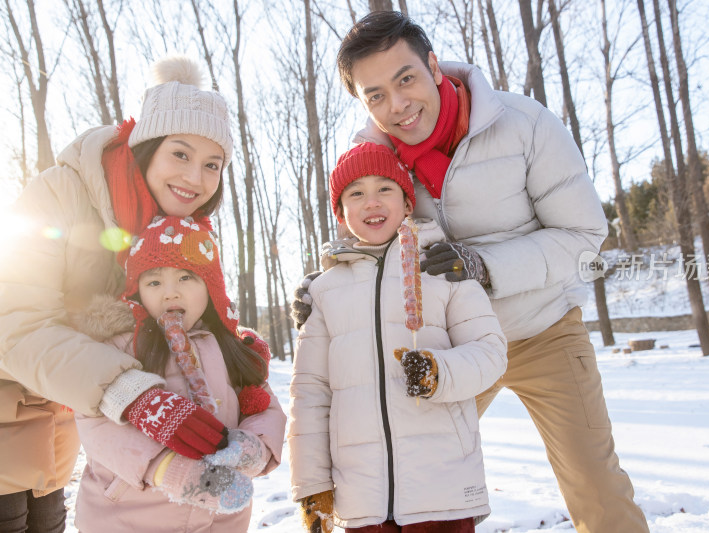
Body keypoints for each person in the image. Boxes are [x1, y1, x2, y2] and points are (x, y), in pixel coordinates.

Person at [293, 11, 650, 533]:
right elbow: (367, 238)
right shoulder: (372, 157)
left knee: (594, 480)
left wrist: (485, 267)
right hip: (442, 348)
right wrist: (322, 286)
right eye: (375, 95)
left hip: (542, 328)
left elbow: (584, 237)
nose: (396, 105)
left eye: (406, 79)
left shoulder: (523, 123)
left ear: (434, 66)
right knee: (404, 480)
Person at [0, 56, 236, 531]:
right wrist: (130, 394)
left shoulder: (179, 231)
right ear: (146, 147)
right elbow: (14, 323)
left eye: (213, 164)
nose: (195, 178)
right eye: (181, 154)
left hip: (68, 414)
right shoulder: (60, 193)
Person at [288, 142, 507, 533]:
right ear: (341, 213)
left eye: (385, 188)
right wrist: (312, 485)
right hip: (361, 498)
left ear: (407, 203)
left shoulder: (442, 268)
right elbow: (309, 393)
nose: (371, 202)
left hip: (442, 489)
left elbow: (490, 353)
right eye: (356, 193)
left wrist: (438, 373)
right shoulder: (322, 292)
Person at [70, 214, 286, 531]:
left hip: (220, 519)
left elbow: (263, 404)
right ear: (138, 291)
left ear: (210, 286)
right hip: (128, 518)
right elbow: (96, 424)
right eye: (154, 282)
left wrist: (255, 448)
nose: (170, 293)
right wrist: (171, 471)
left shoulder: (233, 347)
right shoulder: (120, 348)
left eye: (186, 278)